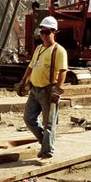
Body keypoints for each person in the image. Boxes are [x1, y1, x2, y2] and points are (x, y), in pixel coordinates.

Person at [17, 16, 68, 162]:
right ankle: (45, 142)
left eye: (47, 32)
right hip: (35, 90)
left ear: (54, 32)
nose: (44, 35)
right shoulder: (39, 49)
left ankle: (47, 152)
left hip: (48, 91)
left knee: (49, 123)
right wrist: (23, 81)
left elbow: (63, 71)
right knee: (29, 118)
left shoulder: (59, 51)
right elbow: (31, 66)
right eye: (42, 32)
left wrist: (57, 90)